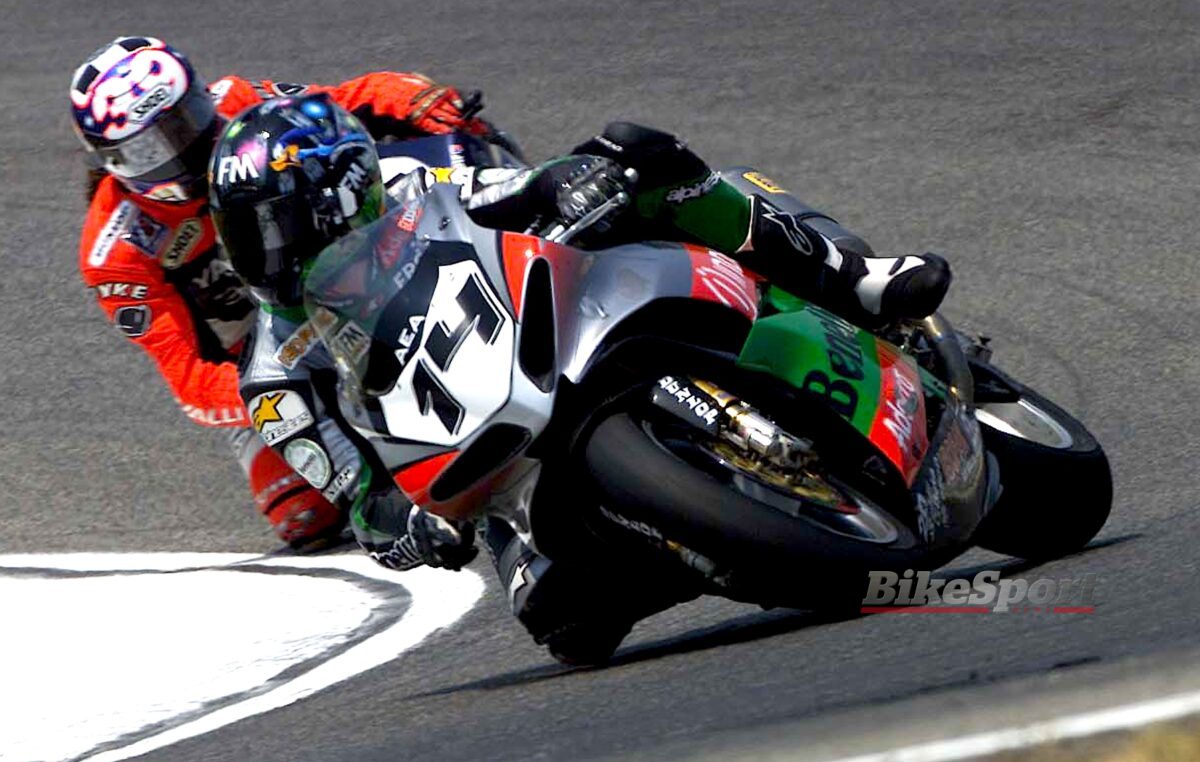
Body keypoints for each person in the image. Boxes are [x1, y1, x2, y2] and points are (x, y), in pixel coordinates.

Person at [209, 95, 951, 661]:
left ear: (344, 191)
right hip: (480, 467)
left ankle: (853, 279)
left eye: (279, 227)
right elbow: (359, 499)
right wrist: (411, 528)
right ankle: (704, 537)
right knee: (565, 624)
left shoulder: (411, 180)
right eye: (246, 235)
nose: (269, 256)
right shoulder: (273, 377)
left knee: (639, 156)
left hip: (548, 329)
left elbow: (517, 189)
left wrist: (571, 184)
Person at [70, 36, 490, 547]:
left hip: (335, 271)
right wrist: (291, 392)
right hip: (262, 354)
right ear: (114, 161)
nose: (184, 147)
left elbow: (334, 106)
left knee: (434, 130)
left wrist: (403, 95)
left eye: (186, 119)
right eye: (151, 149)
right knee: (303, 513)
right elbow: (192, 383)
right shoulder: (115, 252)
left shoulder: (235, 101)